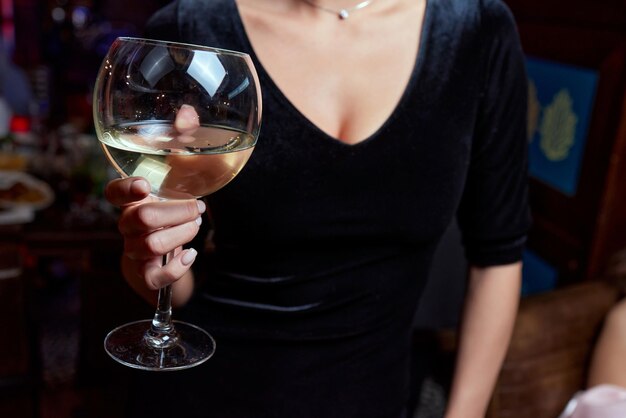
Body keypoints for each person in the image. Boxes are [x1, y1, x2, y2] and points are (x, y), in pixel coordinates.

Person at [103, 0, 531, 417]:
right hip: (203, 387)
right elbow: (172, 274)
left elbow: (498, 258)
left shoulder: (477, 28)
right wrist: (146, 254)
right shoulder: (188, 25)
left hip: (375, 397)